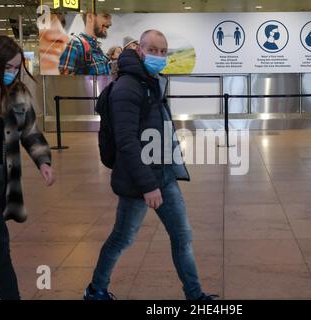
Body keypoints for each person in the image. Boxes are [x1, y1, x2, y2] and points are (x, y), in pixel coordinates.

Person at [83, 30, 215, 301]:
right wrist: (148, 185)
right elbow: (127, 143)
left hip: (163, 174)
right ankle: (96, 290)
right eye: (152, 50)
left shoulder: (151, 81)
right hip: (138, 181)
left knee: (182, 236)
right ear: (140, 50)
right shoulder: (127, 87)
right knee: (122, 238)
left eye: (163, 51)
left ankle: (195, 295)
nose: (158, 56)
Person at [0, 36, 56, 300]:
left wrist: (43, 161)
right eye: (7, 67)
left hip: (1, 182)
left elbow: (30, 131)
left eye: (16, 67)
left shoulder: (18, 93)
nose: (12, 73)